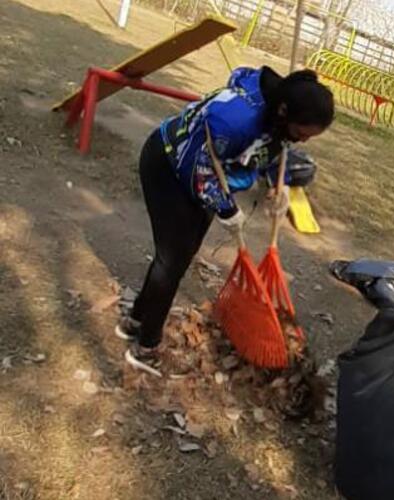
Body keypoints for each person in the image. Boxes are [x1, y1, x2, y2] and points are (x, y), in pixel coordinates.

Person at [116, 66, 334, 375]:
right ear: (284, 111)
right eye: (301, 133)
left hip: (210, 173)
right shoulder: (235, 119)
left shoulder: (280, 112)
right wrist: (227, 209)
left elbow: (273, 146)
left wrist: (279, 183)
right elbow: (196, 166)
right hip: (168, 163)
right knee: (172, 259)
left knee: (182, 253)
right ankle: (146, 345)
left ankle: (136, 319)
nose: (303, 141)